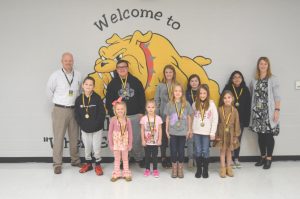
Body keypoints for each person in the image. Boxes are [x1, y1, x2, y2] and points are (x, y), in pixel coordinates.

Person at [106, 60, 146, 168]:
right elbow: (108, 100)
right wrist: (112, 114)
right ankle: (125, 159)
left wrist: (141, 112)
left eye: (124, 67)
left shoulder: (136, 81)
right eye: (119, 67)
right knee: (122, 139)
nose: (122, 69)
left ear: (128, 68)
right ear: (116, 69)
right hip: (119, 118)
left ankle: (139, 158)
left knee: (136, 139)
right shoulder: (112, 84)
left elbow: (142, 97)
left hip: (134, 116)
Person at [46, 52, 82, 174]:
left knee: (74, 136)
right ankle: (57, 164)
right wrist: (59, 102)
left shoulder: (78, 75)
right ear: (62, 62)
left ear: (73, 61)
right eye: (66, 60)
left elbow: (80, 92)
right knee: (59, 138)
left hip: (74, 110)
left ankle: (75, 160)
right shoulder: (55, 75)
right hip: (60, 110)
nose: (68, 62)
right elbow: (49, 91)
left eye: (70, 60)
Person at [249, 57, 281, 169]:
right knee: (260, 136)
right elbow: (252, 95)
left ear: (268, 66)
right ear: (258, 65)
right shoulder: (254, 80)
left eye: (265, 64)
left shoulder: (273, 79)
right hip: (257, 112)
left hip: (268, 112)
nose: (263, 66)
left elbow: (277, 97)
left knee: (268, 137)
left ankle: (269, 159)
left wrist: (277, 110)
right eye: (261, 64)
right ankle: (262, 157)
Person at [74, 76, 106, 175]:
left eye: (90, 85)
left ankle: (97, 164)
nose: (88, 86)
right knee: (87, 147)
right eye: (86, 84)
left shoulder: (97, 98)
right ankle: (88, 164)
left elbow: (102, 114)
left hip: (97, 129)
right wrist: (82, 125)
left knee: (96, 148)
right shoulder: (79, 99)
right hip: (85, 128)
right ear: (83, 86)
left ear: (93, 87)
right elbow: (77, 114)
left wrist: (96, 125)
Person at [222, 71, 251, 168]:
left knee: (237, 139)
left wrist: (246, 121)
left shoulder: (245, 90)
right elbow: (221, 103)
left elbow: (248, 106)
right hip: (228, 120)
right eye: (234, 77)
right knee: (227, 139)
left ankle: (236, 158)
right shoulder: (228, 88)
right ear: (231, 79)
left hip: (241, 120)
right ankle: (228, 160)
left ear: (242, 79)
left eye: (239, 77)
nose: (237, 79)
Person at [165, 83, 192, 178]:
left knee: (181, 151)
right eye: (176, 91)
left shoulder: (186, 104)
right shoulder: (169, 104)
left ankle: (180, 168)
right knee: (173, 150)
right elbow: (167, 118)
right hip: (172, 132)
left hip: (183, 132)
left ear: (182, 93)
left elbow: (189, 117)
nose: (177, 93)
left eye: (179, 91)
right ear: (173, 92)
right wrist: (166, 130)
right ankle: (174, 168)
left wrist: (189, 130)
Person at [192, 84, 218, 178]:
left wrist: (212, 132)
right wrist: (191, 130)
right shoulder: (194, 104)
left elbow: (215, 119)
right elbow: (192, 118)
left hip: (207, 133)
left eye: (204, 93)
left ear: (207, 94)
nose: (202, 95)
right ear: (198, 94)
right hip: (197, 132)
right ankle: (199, 169)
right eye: (200, 93)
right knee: (198, 151)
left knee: (205, 151)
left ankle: (205, 170)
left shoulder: (211, 104)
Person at [154, 65, 177, 169]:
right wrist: (157, 113)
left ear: (173, 73)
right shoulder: (160, 85)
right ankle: (163, 158)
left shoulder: (177, 85)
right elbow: (157, 100)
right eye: (166, 72)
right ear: (164, 74)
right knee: (163, 138)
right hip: (163, 114)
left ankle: (173, 158)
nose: (168, 74)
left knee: (173, 137)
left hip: (174, 115)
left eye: (170, 72)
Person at [215, 90, 240, 178]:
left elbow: (237, 123)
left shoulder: (235, 110)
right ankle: (222, 168)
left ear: (232, 99)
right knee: (222, 151)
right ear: (222, 99)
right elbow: (217, 122)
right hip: (222, 133)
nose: (227, 99)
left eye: (229, 97)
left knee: (229, 151)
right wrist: (217, 135)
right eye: (225, 98)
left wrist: (236, 135)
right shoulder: (219, 109)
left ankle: (229, 168)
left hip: (231, 133)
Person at [108, 99, 133, 182]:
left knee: (125, 158)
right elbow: (110, 133)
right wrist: (111, 144)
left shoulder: (127, 120)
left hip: (125, 142)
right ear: (115, 110)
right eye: (118, 109)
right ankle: (116, 174)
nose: (120, 111)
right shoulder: (113, 120)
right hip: (116, 143)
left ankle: (126, 174)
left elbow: (130, 133)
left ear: (125, 110)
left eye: (122, 109)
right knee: (117, 159)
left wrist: (130, 144)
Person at [140, 100, 163, 178]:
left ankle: (155, 170)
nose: (150, 109)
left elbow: (160, 130)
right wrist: (143, 140)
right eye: (149, 107)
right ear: (146, 108)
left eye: (152, 107)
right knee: (147, 156)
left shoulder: (158, 118)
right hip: (147, 142)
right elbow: (142, 130)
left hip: (155, 142)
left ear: (155, 108)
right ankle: (147, 169)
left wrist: (159, 139)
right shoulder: (144, 118)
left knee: (155, 157)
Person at [186, 74, 201, 168]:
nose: (194, 83)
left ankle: (197, 157)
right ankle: (190, 158)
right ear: (189, 83)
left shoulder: (202, 92)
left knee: (197, 141)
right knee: (190, 140)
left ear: (199, 82)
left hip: (200, 119)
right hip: (189, 119)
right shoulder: (186, 93)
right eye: (192, 81)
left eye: (196, 80)